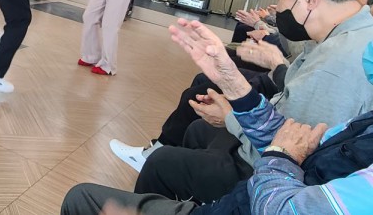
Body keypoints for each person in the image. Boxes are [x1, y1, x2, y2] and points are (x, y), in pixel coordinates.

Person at [126, 0, 373, 203]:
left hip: (271, 178)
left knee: (162, 163)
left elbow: (289, 150)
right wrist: (231, 90)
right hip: (268, 149)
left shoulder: (338, 61)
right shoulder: (344, 36)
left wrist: (231, 116)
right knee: (198, 130)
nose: (277, 8)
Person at [60, 22, 373, 215]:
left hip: (254, 188)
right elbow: (294, 141)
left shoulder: (342, 58)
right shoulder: (364, 121)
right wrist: (231, 82)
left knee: (82, 199)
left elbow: (284, 205)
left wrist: (280, 157)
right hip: (243, 195)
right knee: (197, 119)